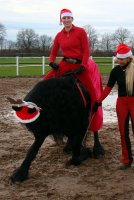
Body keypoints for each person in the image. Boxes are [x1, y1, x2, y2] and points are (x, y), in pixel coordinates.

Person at [43, 9, 103, 140]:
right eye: (64, 18)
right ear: (61, 20)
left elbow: (86, 51)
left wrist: (83, 66)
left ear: (72, 19)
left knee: (93, 94)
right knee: (44, 81)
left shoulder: (81, 32)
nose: (66, 20)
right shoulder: (59, 35)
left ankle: (94, 117)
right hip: (65, 63)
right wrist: (52, 62)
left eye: (68, 18)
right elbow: (53, 52)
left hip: (79, 64)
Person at [93, 43, 134, 172]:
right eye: (118, 58)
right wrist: (98, 101)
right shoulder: (116, 71)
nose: (119, 61)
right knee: (123, 133)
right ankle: (126, 160)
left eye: (122, 59)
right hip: (121, 103)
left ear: (128, 58)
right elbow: (108, 88)